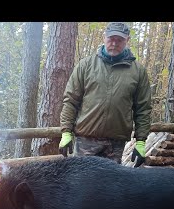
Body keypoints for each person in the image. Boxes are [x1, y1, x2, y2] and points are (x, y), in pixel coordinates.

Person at [59, 22, 152, 166]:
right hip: (86, 140)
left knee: (110, 187)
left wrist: (140, 141)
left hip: (115, 144)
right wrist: (66, 132)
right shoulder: (86, 65)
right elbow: (71, 100)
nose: (114, 43)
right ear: (104, 38)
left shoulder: (138, 72)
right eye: (111, 39)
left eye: (119, 40)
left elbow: (143, 109)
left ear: (127, 40)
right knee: (82, 185)